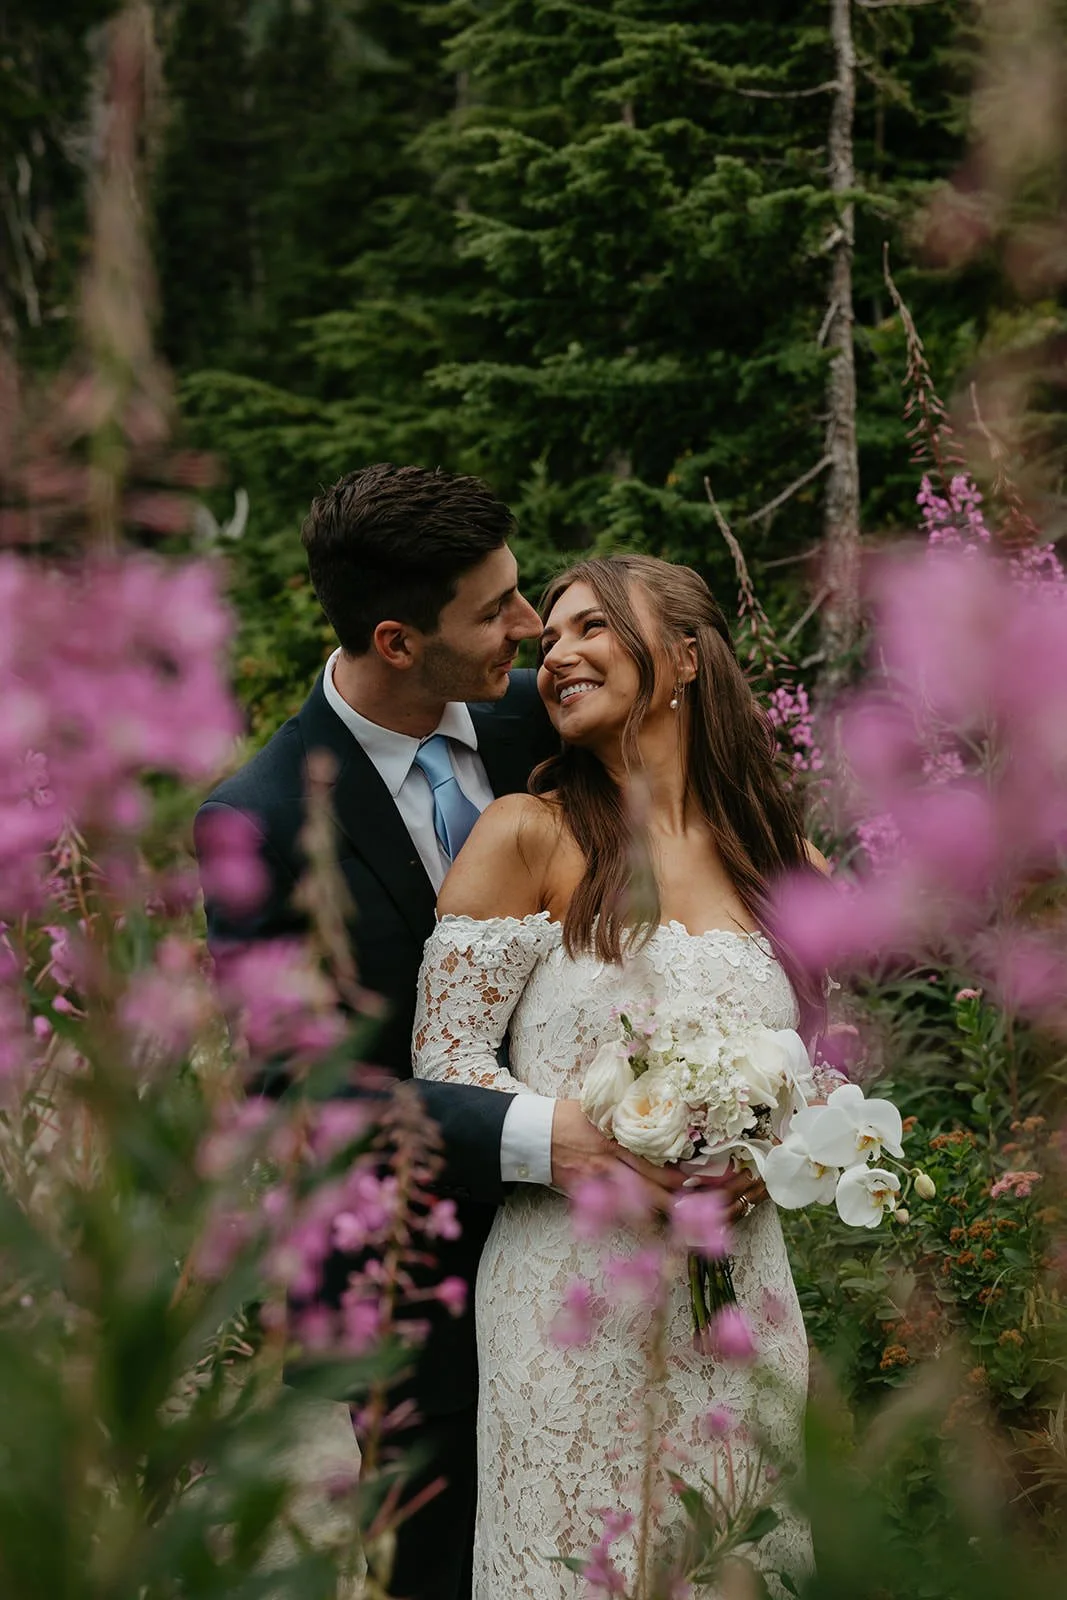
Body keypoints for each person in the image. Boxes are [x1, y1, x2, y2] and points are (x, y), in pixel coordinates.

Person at [195, 467, 687, 1600]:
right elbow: (293, 1090)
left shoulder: (543, 721)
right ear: (396, 639)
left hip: (615, 1260)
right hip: (421, 1295)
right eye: (496, 610)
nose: (531, 630)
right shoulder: (257, 818)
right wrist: (540, 1138)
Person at [412, 553, 826, 1599]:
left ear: (682, 657)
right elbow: (444, 1062)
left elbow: (829, 1071)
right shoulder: (527, 835)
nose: (557, 654)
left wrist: (770, 1154)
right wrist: (576, 1142)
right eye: (548, 637)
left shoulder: (783, 862)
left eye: (593, 626)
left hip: (741, 1291)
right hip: (568, 1283)